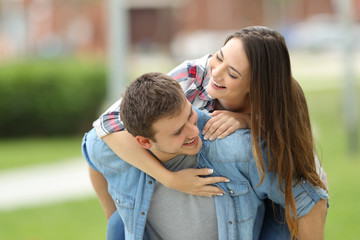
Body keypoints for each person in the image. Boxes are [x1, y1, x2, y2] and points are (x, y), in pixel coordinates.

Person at [89, 26, 328, 239]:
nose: (216, 73)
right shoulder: (195, 75)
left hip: (283, 191)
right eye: (219, 57)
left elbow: (307, 189)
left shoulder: (278, 106)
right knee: (119, 224)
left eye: (232, 73)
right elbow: (105, 127)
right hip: (245, 183)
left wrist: (248, 121)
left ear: (256, 87)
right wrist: (168, 178)